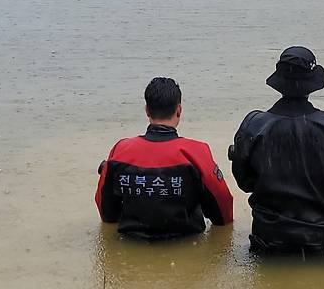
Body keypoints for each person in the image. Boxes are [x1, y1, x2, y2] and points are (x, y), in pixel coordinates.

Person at [229, 46, 324, 255]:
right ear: (312, 84)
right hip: (322, 239)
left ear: (279, 82)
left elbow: (245, 183)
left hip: (268, 237)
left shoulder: (253, 125)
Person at [95, 77, 233, 239]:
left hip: (133, 242)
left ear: (147, 110)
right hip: (186, 245)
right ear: (179, 110)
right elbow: (223, 207)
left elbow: (106, 210)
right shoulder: (197, 152)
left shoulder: (120, 151)